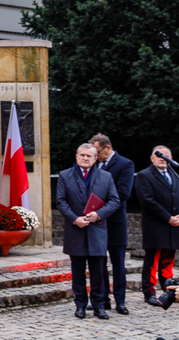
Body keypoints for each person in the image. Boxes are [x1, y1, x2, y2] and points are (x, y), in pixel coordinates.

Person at [56, 143, 120, 319]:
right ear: (76, 156)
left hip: (97, 230)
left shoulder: (106, 177)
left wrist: (98, 214)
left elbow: (114, 201)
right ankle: (80, 305)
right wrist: (75, 219)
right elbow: (61, 201)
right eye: (82, 155)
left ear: (95, 158)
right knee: (77, 272)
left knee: (98, 272)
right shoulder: (65, 175)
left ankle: (99, 306)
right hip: (75, 230)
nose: (85, 158)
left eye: (89, 156)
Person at [89, 133, 134, 314]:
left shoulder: (125, 164)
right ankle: (102, 299)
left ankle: (120, 301)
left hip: (115, 221)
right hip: (96, 222)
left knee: (118, 265)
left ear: (107, 147)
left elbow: (123, 193)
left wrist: (100, 206)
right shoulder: (93, 164)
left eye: (97, 151)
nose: (95, 155)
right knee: (99, 265)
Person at [135, 145, 179, 305]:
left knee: (168, 261)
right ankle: (149, 292)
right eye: (159, 155)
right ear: (151, 158)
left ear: (171, 159)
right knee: (152, 261)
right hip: (156, 226)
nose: (163, 158)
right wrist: (168, 217)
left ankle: (169, 292)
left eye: (166, 155)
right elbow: (147, 201)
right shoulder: (144, 176)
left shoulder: (174, 175)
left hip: (173, 226)